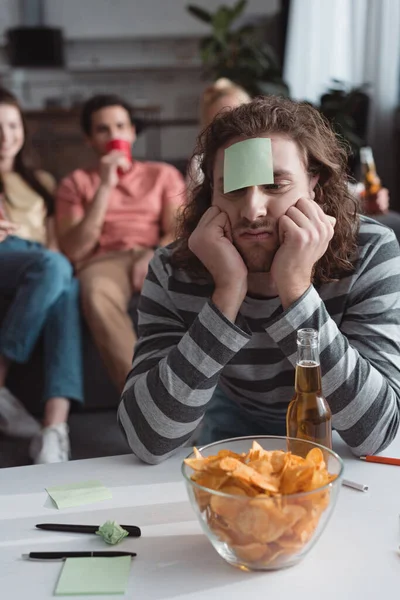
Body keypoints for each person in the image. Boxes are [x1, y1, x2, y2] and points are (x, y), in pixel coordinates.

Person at [118, 96, 400, 464]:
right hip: (237, 424)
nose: (252, 211)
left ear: (313, 183)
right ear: (211, 193)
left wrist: (296, 290)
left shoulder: (371, 251)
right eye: (233, 189)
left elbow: (376, 434)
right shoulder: (173, 268)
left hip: (338, 436)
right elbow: (148, 441)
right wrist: (227, 293)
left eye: (275, 185)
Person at [56, 94, 186, 392]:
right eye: (103, 129)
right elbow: (75, 249)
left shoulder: (162, 174)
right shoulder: (75, 183)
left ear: (132, 131)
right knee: (96, 292)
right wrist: (104, 185)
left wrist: (155, 255)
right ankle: (146, 399)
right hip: (104, 261)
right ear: (89, 139)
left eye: (120, 126)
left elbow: (178, 229)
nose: (114, 135)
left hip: (155, 252)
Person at [0, 88, 83, 463]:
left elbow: (55, 245)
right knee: (56, 268)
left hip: (41, 265)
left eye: (12, 125)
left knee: (66, 280)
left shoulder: (41, 181)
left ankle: (53, 429)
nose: (6, 137)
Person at [187, 78, 251, 191]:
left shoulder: (268, 153)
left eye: (237, 114)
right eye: (221, 120)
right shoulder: (199, 165)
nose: (231, 125)